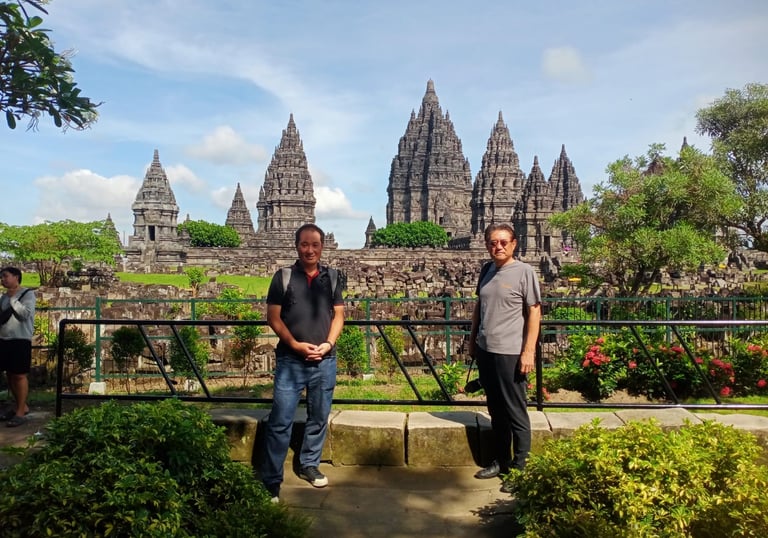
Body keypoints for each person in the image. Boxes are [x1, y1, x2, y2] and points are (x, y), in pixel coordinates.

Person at [260, 223, 344, 502]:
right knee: (280, 420)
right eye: (305, 244)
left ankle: (309, 464)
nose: (310, 250)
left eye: (315, 245)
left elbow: (339, 316)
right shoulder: (282, 277)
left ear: (322, 247)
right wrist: (295, 344)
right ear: (297, 246)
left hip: (325, 359)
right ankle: (272, 479)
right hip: (290, 360)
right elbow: (273, 316)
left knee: (318, 417)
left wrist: (329, 344)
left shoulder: (332, 277)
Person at [468, 224, 542, 491]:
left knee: (515, 411)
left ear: (513, 244)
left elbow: (534, 312)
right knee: (495, 410)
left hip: (511, 352)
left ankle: (520, 469)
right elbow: (480, 306)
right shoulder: (486, 271)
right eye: (492, 242)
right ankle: (501, 460)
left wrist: (528, 351)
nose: (497, 247)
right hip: (486, 349)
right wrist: (472, 339)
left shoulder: (524, 272)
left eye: (502, 242)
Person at [0, 267, 37, 427]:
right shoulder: (3, 297)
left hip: (20, 339)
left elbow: (24, 314)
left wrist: (14, 299)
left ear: (16, 277)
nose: (3, 280)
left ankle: (21, 412)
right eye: (2, 277)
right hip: (4, 339)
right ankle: (20, 406)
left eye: (6, 276)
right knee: (9, 374)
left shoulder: (28, 294)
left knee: (19, 375)